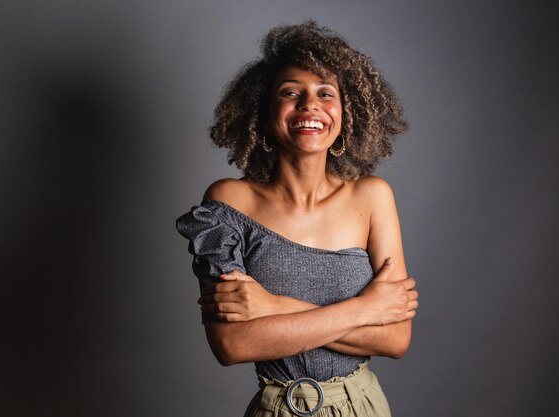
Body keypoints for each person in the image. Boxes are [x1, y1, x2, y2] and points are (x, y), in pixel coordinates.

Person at [177, 20, 418, 417]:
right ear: (264, 111)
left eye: (326, 93)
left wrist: (272, 306)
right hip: (277, 408)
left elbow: (395, 338)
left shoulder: (372, 196)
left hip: (362, 406)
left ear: (345, 114)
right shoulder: (227, 203)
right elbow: (232, 345)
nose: (310, 105)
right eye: (291, 92)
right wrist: (366, 310)